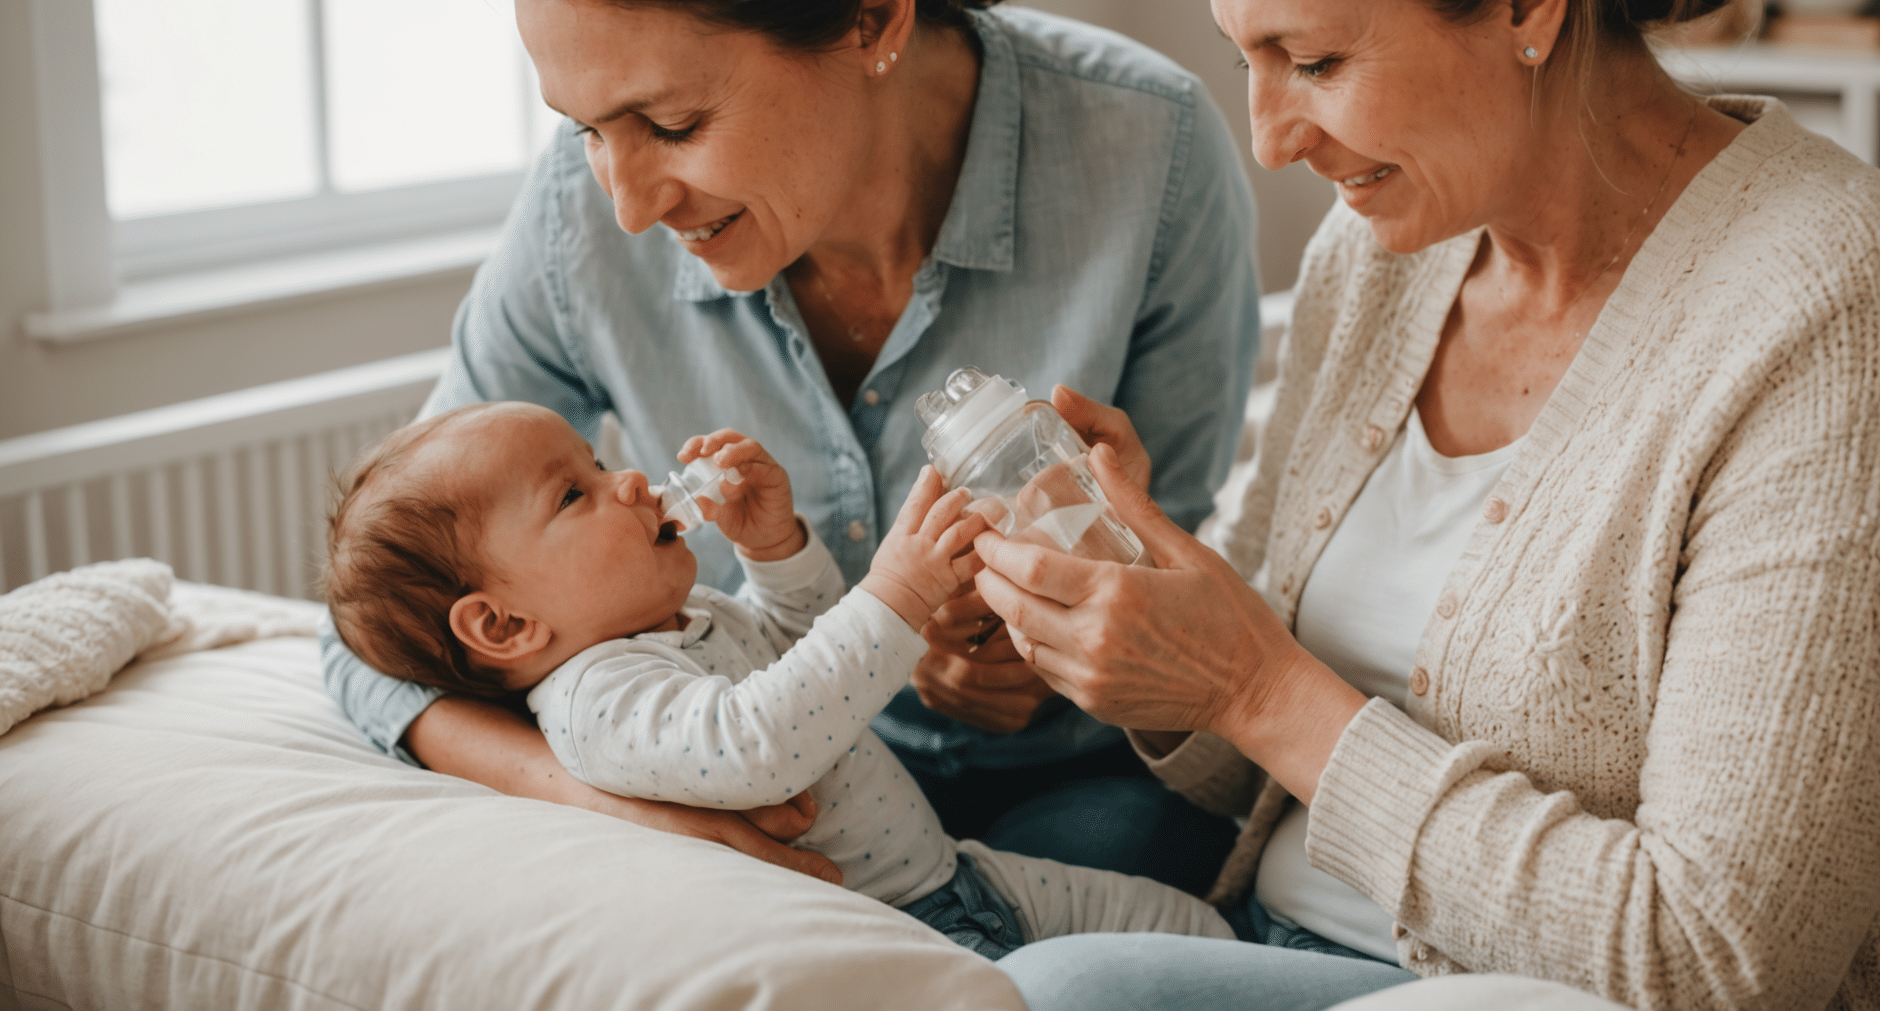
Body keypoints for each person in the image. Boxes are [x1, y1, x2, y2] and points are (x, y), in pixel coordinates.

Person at [971, 0, 1880, 1008]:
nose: (1270, 140)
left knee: (1057, 993)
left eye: (1314, 61)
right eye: (1248, 61)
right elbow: (1253, 756)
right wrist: (1140, 611)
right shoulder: (1378, 259)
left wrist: (1249, 687)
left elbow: (1716, 961)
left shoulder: (1849, 312)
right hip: (1282, 946)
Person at [317, 0, 1259, 896]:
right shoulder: (575, 220)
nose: (627, 206)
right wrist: (594, 796)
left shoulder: (1149, 151)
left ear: (872, 14)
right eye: (587, 130)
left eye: (672, 124)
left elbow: (1170, 575)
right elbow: (383, 611)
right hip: (765, 803)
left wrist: (1045, 660)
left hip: (1071, 788)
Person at [322, 402, 1234, 958]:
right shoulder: (597, 702)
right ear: (504, 624)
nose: (632, 481)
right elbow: (761, 743)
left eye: (598, 464)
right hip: (899, 928)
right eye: (575, 494)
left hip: (963, 875)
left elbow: (803, 650)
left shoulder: (678, 621)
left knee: (1200, 933)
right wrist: (901, 589)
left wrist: (775, 550)